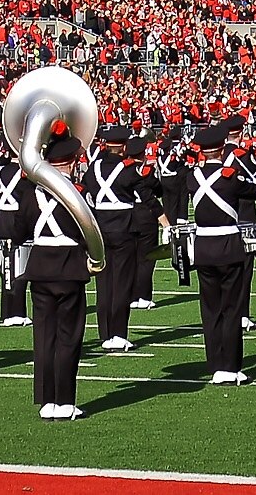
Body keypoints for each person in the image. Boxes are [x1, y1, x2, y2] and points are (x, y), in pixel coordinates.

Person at [14, 127, 95, 421]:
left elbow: (18, 231)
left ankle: (47, 401)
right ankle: (65, 401)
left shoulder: (29, 193)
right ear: (72, 162)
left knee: (44, 337)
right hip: (70, 268)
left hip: (40, 269)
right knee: (68, 338)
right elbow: (91, 232)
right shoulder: (78, 193)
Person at [180, 124, 256, 385]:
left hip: (203, 248)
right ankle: (231, 366)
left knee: (211, 309)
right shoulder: (231, 176)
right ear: (221, 148)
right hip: (228, 246)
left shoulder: (193, 177)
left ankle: (215, 364)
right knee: (231, 308)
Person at [86, 125, 157, 353]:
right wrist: (166, 223)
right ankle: (117, 334)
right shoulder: (128, 170)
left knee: (103, 284)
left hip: (99, 230)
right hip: (124, 230)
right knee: (122, 283)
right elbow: (147, 197)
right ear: (124, 146)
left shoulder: (93, 168)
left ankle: (104, 333)